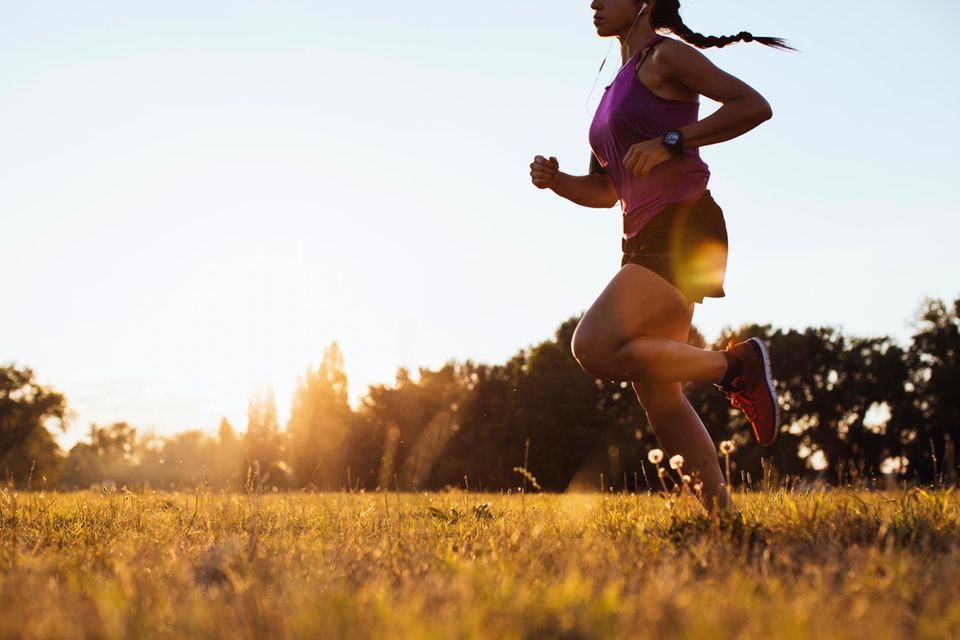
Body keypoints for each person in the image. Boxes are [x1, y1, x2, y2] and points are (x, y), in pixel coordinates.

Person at [529, 0, 793, 514]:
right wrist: (558, 181)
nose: (594, 3)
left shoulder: (665, 57)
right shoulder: (612, 90)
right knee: (661, 397)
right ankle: (723, 520)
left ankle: (733, 365)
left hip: (683, 222)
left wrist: (673, 139)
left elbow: (753, 105)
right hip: (644, 234)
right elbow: (606, 190)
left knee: (594, 346)